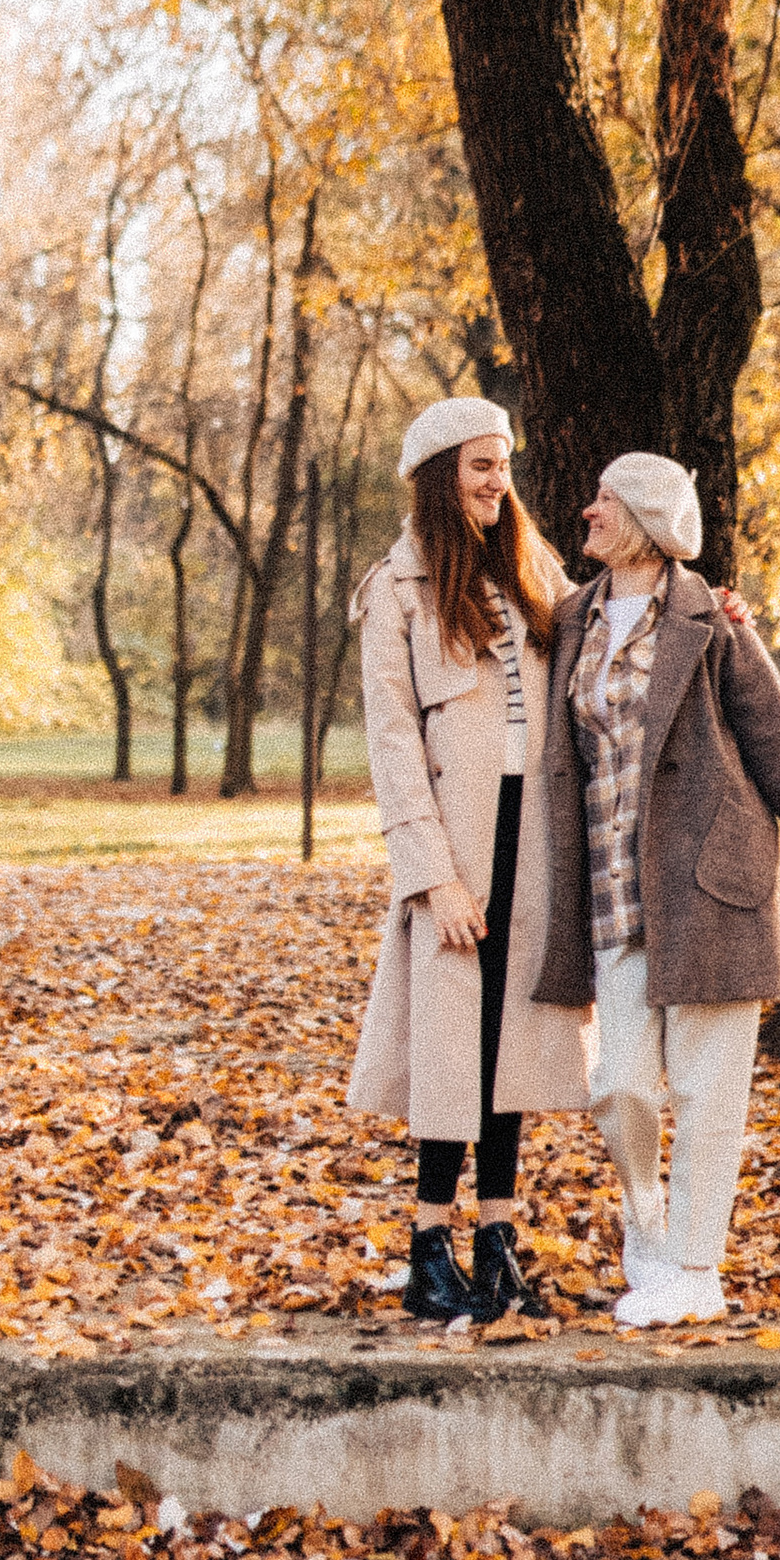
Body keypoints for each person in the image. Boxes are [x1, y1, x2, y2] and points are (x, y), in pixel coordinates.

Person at [533, 450, 780, 1329]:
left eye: (604, 498)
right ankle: (649, 1235)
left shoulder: (714, 623)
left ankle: (696, 1269)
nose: (588, 510)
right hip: (611, 892)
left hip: (713, 888)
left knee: (711, 1094)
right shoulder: (572, 618)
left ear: (642, 517)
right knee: (620, 1087)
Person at [347, 399, 594, 1322]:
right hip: (453, 846)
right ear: (438, 475)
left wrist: (709, 610)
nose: (499, 483)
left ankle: (496, 1236)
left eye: (504, 467)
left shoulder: (533, 572)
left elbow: (611, 629)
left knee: (510, 1046)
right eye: (480, 467)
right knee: (452, 1045)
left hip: (531, 835)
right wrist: (431, 876)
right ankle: (426, 1246)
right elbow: (391, 742)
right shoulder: (397, 592)